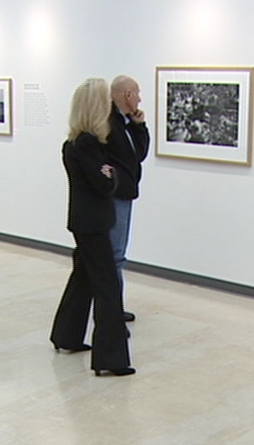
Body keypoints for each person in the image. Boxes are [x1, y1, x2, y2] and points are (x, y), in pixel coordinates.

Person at [50, 78, 134, 377]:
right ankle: (110, 359)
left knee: (83, 279)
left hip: (84, 221)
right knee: (107, 287)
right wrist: (110, 176)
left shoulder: (74, 142)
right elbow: (102, 182)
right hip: (94, 223)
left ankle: (66, 336)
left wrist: (106, 172)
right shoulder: (87, 143)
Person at [106, 75, 150, 322]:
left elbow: (139, 155)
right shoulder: (109, 123)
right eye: (137, 92)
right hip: (115, 196)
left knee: (117, 254)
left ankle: (113, 307)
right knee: (114, 255)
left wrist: (139, 125)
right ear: (127, 95)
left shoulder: (125, 123)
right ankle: (111, 310)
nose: (140, 98)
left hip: (125, 193)